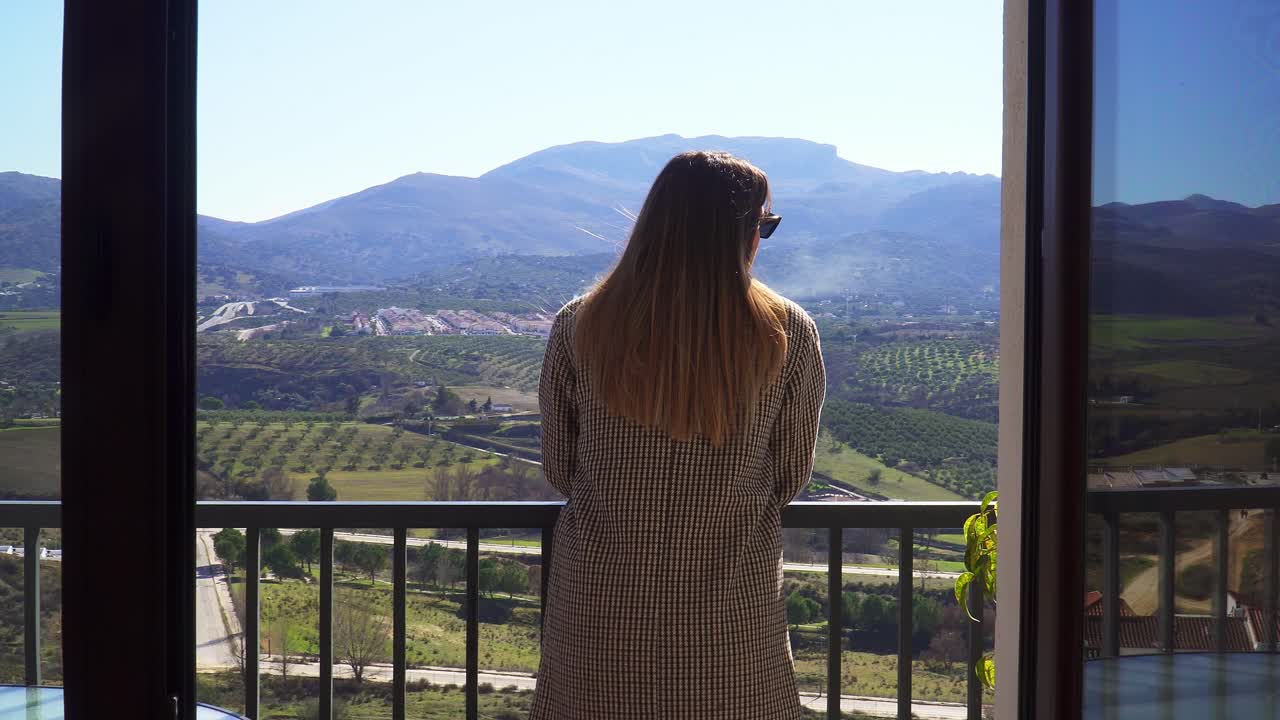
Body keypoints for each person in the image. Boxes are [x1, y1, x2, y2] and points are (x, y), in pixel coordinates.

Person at [531, 151, 826, 719]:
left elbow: (562, 468)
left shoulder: (580, 324)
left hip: (600, 611)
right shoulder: (786, 333)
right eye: (763, 225)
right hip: (729, 615)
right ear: (739, 232)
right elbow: (789, 476)